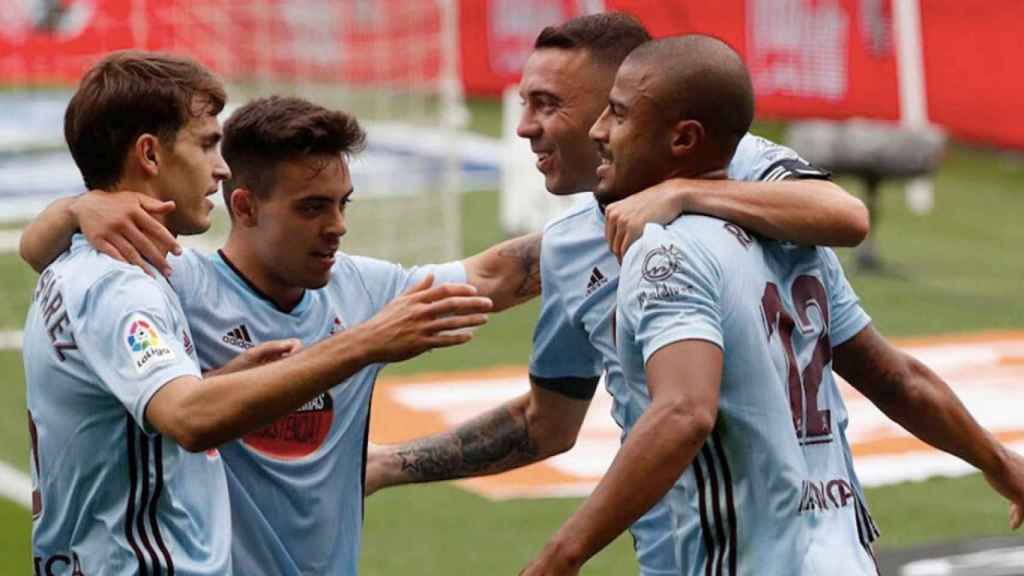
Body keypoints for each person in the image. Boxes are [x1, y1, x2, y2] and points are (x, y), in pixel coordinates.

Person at [364, 12, 871, 576]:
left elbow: (846, 217)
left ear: (629, 105)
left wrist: (562, 554)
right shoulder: (573, 247)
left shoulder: (734, 176)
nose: (524, 127)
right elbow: (545, 422)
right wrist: (388, 463)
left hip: (753, 555)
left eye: (549, 104)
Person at [520, 35, 1024, 576]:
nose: (599, 131)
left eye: (616, 115)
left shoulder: (666, 250)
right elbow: (896, 379)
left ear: (684, 139)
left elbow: (684, 412)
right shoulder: (792, 239)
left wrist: (560, 555)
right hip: (846, 560)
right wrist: (1002, 465)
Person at [20, 90, 563, 574]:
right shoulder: (173, 281)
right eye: (312, 208)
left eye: (341, 203)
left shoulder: (365, 291)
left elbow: (499, 274)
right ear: (246, 206)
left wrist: (623, 209)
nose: (338, 226)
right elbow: (56, 261)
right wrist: (77, 209)